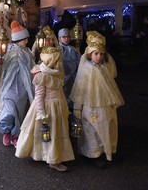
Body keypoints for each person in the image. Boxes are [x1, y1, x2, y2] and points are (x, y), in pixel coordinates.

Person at [70, 31, 125, 168]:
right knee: (92, 130)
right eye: (96, 54)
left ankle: (106, 151)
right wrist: (77, 108)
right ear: (89, 54)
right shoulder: (86, 69)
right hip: (91, 106)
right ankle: (93, 154)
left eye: (101, 54)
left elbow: (111, 78)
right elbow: (80, 89)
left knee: (107, 126)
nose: (99, 56)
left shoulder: (104, 67)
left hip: (105, 104)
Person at [15, 46, 74, 172]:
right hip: (48, 108)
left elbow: (60, 92)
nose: (60, 63)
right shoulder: (42, 76)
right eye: (58, 60)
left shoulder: (56, 73)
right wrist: (41, 113)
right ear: (52, 61)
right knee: (49, 133)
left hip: (57, 107)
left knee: (55, 132)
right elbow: (39, 96)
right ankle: (53, 160)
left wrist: (64, 106)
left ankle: (52, 155)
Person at [0, 21, 35, 147]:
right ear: (19, 40)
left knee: (19, 113)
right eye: (25, 39)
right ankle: (6, 131)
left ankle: (15, 135)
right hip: (10, 87)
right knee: (9, 112)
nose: (27, 41)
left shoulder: (28, 52)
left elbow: (32, 67)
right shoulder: (8, 51)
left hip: (23, 87)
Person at [58, 28, 80, 111]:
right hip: (64, 76)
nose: (66, 39)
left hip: (73, 77)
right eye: (64, 37)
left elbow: (79, 60)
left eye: (68, 37)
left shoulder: (74, 49)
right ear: (59, 38)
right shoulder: (58, 49)